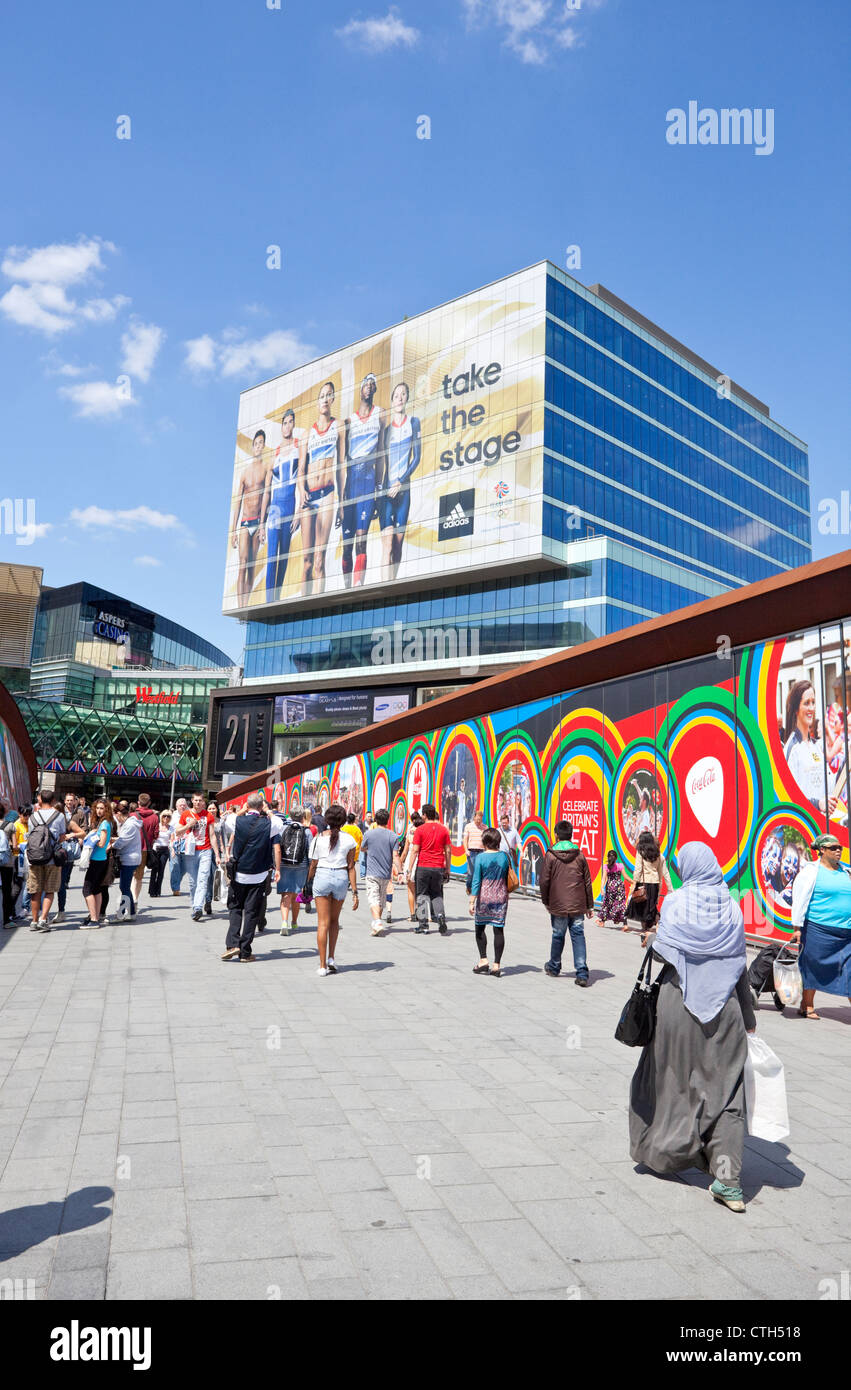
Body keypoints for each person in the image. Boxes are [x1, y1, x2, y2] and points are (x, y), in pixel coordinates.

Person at [628, 842, 756, 1214]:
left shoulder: (675, 904)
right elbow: (739, 966)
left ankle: (670, 1151)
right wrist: (748, 1019)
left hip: (677, 1008)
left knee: (673, 1082)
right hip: (725, 1012)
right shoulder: (732, 908)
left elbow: (662, 952)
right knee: (729, 1092)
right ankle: (729, 1184)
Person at [790, 833, 851, 1019]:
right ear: (822, 850)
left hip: (845, 932)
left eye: (839, 847)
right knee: (812, 967)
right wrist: (797, 928)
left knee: (849, 969)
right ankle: (807, 1005)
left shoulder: (846, 871)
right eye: (833, 848)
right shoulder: (810, 872)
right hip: (818, 929)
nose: (838, 850)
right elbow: (799, 900)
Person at [222, 794, 281, 963]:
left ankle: (232, 944)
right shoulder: (270, 824)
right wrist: (268, 811)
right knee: (251, 913)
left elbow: (229, 819)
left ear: (247, 806)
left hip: (239, 873)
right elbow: (279, 823)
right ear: (262, 807)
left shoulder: (236, 820)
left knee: (235, 908)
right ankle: (245, 952)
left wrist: (243, 809)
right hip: (259, 874)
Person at [298, 381, 344, 597]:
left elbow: (342, 465)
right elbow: (300, 472)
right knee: (306, 562)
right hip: (309, 497)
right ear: (317, 402)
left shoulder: (339, 426)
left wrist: (342, 502)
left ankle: (316, 605)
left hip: (327, 493)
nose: (325, 399)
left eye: (329, 395)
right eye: (322, 396)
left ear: (333, 399)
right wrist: (302, 492)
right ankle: (301, 608)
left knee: (319, 559)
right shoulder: (307, 435)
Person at [341, 373, 385, 588]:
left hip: (368, 478)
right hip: (351, 482)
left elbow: (382, 453)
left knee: (361, 541)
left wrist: (378, 489)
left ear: (375, 389)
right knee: (347, 546)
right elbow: (342, 462)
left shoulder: (380, 414)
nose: (368, 387)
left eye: (372, 385)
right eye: (365, 384)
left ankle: (359, 588)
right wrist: (341, 498)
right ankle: (347, 588)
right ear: (360, 390)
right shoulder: (349, 421)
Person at [305, 803, 358, 975]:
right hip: (341, 878)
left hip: (322, 876)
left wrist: (307, 882)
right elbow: (351, 867)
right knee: (334, 921)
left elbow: (313, 864)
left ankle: (322, 966)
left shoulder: (318, 839)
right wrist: (355, 893)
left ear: (327, 820)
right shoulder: (349, 840)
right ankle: (331, 958)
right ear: (343, 821)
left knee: (322, 923)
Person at [540, 819, 593, 985]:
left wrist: (546, 901)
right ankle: (582, 973)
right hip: (578, 904)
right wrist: (589, 905)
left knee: (558, 935)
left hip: (558, 904)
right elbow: (587, 881)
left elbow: (544, 881)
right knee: (578, 935)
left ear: (556, 835)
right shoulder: (579, 854)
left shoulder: (550, 855)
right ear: (571, 835)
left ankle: (554, 967)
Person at [379, 380, 421, 582]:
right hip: (387, 495)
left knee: (397, 546)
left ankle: (393, 587)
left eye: (403, 394)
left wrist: (401, 482)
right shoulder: (386, 432)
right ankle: (382, 594)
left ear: (407, 399)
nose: (400, 398)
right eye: (396, 395)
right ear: (392, 400)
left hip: (404, 492)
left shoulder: (414, 423)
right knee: (386, 546)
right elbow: (381, 465)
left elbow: (417, 459)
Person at [783, 680, 838, 818]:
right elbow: (789, 798)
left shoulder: (816, 747)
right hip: (804, 830)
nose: (811, 708)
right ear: (796, 708)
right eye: (806, 703)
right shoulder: (792, 748)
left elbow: (831, 785)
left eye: (813, 702)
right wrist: (817, 803)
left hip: (822, 827)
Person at [230, 428, 271, 607]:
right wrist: (233, 531)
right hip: (245, 523)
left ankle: (246, 605)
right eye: (256, 443)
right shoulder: (245, 473)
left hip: (257, 521)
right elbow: (238, 502)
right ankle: (240, 606)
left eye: (261, 443)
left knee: (252, 565)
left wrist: (263, 525)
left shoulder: (266, 468)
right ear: (253, 446)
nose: (258, 446)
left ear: (263, 446)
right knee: (243, 564)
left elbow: (267, 497)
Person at [264, 408, 301, 597]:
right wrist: (263, 524)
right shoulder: (274, 454)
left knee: (284, 555)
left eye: (290, 422)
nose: (287, 426)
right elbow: (266, 492)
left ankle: (276, 598)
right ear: (281, 426)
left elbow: (302, 478)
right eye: (284, 423)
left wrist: (299, 511)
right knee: (272, 555)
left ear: (294, 424)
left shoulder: (298, 446)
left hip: (290, 506)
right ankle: (269, 600)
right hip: (276, 508)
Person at [470, 827, 511, 976]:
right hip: (501, 897)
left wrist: (471, 901)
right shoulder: (505, 857)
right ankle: (496, 965)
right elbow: (508, 876)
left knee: (480, 928)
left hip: (484, 898)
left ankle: (483, 960)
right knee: (498, 930)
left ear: (485, 842)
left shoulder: (480, 858)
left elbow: (476, 880)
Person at [26, 788, 67, 933]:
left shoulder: (32, 817)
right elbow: (62, 837)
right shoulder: (60, 816)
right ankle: (44, 919)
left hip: (35, 858)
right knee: (50, 889)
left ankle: (34, 920)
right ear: (54, 800)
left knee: (35, 890)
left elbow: (30, 837)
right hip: (52, 859)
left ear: (40, 800)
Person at [627, 830, 673, 948]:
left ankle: (646, 929)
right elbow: (662, 872)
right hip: (654, 883)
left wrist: (634, 882)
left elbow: (638, 870)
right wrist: (667, 887)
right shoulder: (658, 854)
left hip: (643, 883)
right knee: (650, 906)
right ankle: (650, 926)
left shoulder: (641, 852)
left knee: (641, 905)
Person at [410, 803, 451, 935]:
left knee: (421, 895)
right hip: (438, 866)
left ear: (425, 815)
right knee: (437, 894)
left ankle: (423, 925)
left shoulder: (420, 830)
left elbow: (415, 850)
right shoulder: (443, 830)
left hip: (423, 866)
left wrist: (409, 869)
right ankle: (440, 916)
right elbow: (448, 851)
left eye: (422, 814)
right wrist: (447, 868)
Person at [361, 808, 402, 936]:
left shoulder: (369, 834)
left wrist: (370, 850)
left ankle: (377, 922)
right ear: (388, 820)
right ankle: (376, 923)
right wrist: (400, 872)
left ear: (376, 820)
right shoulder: (393, 836)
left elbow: (362, 848)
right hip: (386, 873)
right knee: (381, 900)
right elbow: (396, 856)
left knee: (373, 899)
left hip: (372, 873)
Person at [178, 794, 217, 922]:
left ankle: (198, 907)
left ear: (203, 802)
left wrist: (216, 854)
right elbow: (178, 832)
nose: (198, 802)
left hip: (205, 851)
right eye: (196, 800)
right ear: (192, 801)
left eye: (200, 800)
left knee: (203, 879)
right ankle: (195, 905)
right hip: (190, 852)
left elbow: (212, 836)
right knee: (193, 882)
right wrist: (189, 825)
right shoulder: (186, 815)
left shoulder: (208, 815)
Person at [81, 799, 116, 928]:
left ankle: (94, 918)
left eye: (102, 808)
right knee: (96, 889)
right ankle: (95, 915)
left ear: (106, 810)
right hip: (100, 859)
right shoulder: (105, 823)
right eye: (97, 808)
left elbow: (101, 843)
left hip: (97, 859)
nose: (99, 811)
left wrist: (91, 837)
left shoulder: (105, 824)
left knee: (87, 890)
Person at [277, 808, 311, 935]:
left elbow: (277, 848)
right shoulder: (307, 831)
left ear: (290, 816)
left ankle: (284, 922)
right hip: (301, 866)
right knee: (296, 894)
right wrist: (310, 868)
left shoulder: (283, 828)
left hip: (284, 865)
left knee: (285, 894)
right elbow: (310, 851)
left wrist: (277, 866)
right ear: (303, 817)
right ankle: (294, 922)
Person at [55, 792, 86, 923]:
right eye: (67, 800)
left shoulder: (79, 813)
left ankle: (61, 910)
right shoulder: (59, 812)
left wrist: (77, 838)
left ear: (75, 801)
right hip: (56, 850)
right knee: (58, 882)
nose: (69, 802)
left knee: (62, 880)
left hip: (69, 850)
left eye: (71, 800)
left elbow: (84, 829)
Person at [114, 802, 142, 919]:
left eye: (116, 816)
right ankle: (130, 913)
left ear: (119, 813)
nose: (116, 819)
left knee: (124, 887)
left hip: (129, 859)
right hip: (129, 857)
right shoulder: (128, 823)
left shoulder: (129, 825)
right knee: (124, 886)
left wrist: (110, 845)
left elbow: (121, 842)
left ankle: (123, 913)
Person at [131, 793, 159, 905]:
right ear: (149, 803)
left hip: (132, 849)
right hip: (145, 850)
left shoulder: (132, 815)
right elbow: (156, 835)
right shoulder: (155, 817)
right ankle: (135, 898)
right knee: (139, 877)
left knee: (130, 874)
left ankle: (130, 897)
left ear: (138, 802)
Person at [400, 811, 423, 920]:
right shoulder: (424, 834)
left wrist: (399, 863)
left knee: (410, 890)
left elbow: (404, 852)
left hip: (410, 861)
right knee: (421, 890)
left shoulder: (410, 834)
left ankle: (413, 914)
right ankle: (420, 914)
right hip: (421, 861)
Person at [596, 849, 628, 927]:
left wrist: (601, 888)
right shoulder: (620, 865)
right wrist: (633, 882)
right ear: (616, 858)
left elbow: (604, 878)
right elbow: (625, 877)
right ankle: (625, 925)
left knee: (607, 904)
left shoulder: (606, 866)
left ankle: (602, 922)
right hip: (619, 887)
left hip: (610, 887)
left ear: (608, 858)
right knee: (621, 904)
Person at [204, 801, 225, 915]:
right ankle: (207, 901)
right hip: (205, 849)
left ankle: (212, 897)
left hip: (216, 852)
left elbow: (223, 836)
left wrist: (225, 851)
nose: (212, 810)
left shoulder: (221, 821)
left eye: (213, 808)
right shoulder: (204, 820)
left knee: (215, 875)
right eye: (210, 808)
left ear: (217, 809)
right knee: (207, 877)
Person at [11, 805, 31, 920]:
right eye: (25, 815)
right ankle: (11, 910)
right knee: (17, 886)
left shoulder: (30, 824)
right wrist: (22, 846)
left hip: (29, 857)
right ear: (19, 814)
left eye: (29, 815)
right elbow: (14, 846)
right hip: (18, 858)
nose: (27, 817)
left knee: (29, 884)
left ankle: (25, 907)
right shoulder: (16, 826)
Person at [169, 798, 191, 894]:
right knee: (175, 865)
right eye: (180, 805)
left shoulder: (191, 814)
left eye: (184, 804)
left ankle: (176, 881)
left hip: (187, 843)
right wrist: (171, 844)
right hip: (175, 843)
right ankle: (175, 888)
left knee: (185, 867)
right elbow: (170, 831)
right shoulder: (172, 816)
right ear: (176, 806)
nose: (182, 806)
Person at [148, 811, 172, 897]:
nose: (166, 818)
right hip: (155, 849)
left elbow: (171, 840)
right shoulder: (157, 826)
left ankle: (158, 891)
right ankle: (152, 891)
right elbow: (152, 837)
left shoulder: (171, 828)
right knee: (154, 870)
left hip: (165, 850)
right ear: (161, 817)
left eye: (168, 816)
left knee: (161, 871)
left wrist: (172, 851)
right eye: (164, 816)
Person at [462, 809, 485, 896]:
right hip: (471, 851)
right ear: (474, 817)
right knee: (471, 872)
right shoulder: (468, 826)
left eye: (480, 819)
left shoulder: (484, 827)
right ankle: (468, 886)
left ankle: (477, 890)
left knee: (480, 872)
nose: (478, 821)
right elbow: (465, 839)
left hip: (481, 852)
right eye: (477, 819)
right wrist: (466, 850)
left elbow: (486, 841)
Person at [0, 806, 15, 927]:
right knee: (6, 890)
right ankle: (7, 920)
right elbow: (15, 846)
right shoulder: (10, 825)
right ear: (5, 812)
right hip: (6, 862)